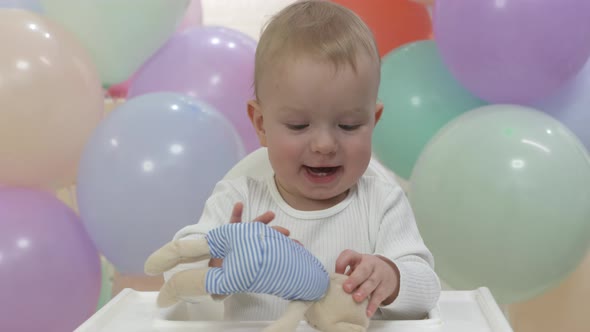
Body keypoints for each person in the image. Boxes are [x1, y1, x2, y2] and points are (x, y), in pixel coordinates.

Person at [161, 0, 440, 321]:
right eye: (298, 125)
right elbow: (175, 271)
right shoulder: (239, 199)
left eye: (348, 125)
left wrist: (390, 277)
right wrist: (218, 262)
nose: (324, 144)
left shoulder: (382, 203)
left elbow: (427, 289)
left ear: (373, 121)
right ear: (261, 124)